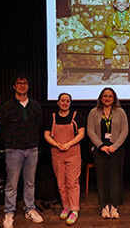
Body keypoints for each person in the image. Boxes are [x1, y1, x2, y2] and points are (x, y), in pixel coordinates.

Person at [0, 74, 44, 228]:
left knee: (30, 183)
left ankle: (29, 209)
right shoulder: (6, 107)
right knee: (11, 184)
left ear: (28, 86)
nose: (22, 85)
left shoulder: (36, 106)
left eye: (25, 83)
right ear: (14, 86)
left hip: (32, 149)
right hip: (14, 150)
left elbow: (38, 125)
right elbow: (2, 129)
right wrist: (12, 142)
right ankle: (9, 213)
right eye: (19, 83)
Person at [87, 87, 129, 219]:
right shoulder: (93, 112)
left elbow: (124, 131)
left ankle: (114, 206)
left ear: (114, 98)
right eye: (105, 96)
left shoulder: (120, 112)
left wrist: (115, 146)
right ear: (100, 98)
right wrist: (100, 146)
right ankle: (104, 206)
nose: (107, 98)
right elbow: (91, 131)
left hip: (116, 149)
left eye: (110, 96)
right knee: (102, 178)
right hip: (100, 149)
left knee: (116, 178)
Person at [44, 93, 85, 225]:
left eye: (67, 101)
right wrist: (56, 144)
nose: (65, 103)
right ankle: (66, 207)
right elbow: (46, 134)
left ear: (70, 103)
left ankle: (74, 210)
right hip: (57, 153)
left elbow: (82, 133)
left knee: (72, 182)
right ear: (58, 102)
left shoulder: (76, 116)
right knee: (61, 183)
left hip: (72, 152)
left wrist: (68, 144)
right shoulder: (52, 117)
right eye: (62, 101)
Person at [102, 0, 130, 82]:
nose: (121, 5)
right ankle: (108, 69)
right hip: (115, 36)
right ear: (114, 5)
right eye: (118, 3)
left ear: (128, 4)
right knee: (108, 44)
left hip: (128, 37)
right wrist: (113, 36)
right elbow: (106, 31)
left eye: (124, 3)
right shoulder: (111, 17)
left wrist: (128, 37)